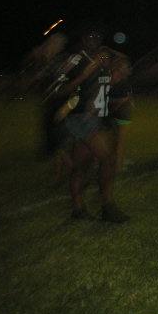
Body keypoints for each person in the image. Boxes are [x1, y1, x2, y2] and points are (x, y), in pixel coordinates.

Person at [54, 28, 129, 223]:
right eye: (90, 37)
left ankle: (78, 210)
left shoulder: (103, 61)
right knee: (108, 159)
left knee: (81, 166)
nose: (94, 41)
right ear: (82, 39)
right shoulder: (76, 61)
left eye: (98, 37)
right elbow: (59, 90)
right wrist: (83, 75)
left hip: (95, 118)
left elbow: (123, 63)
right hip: (82, 117)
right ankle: (107, 207)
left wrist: (107, 55)